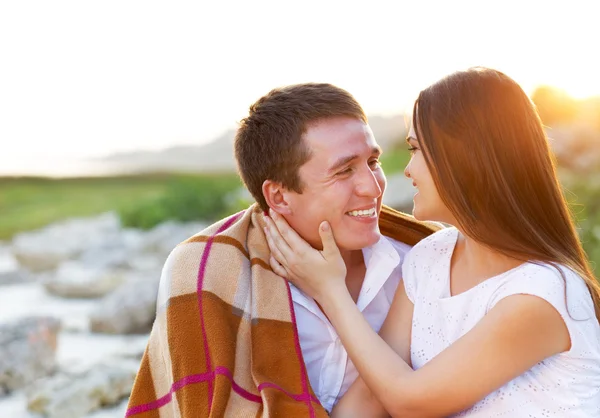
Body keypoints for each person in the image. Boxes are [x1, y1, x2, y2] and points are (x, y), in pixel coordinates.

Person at [264, 67, 600, 417]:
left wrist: (328, 290)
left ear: (465, 157)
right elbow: (373, 393)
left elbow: (409, 402)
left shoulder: (543, 294)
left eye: (415, 149)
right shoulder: (431, 256)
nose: (406, 170)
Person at [125, 83, 439, 417]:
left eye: (373, 161)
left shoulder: (419, 258)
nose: (373, 187)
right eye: (344, 170)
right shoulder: (206, 274)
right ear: (279, 197)